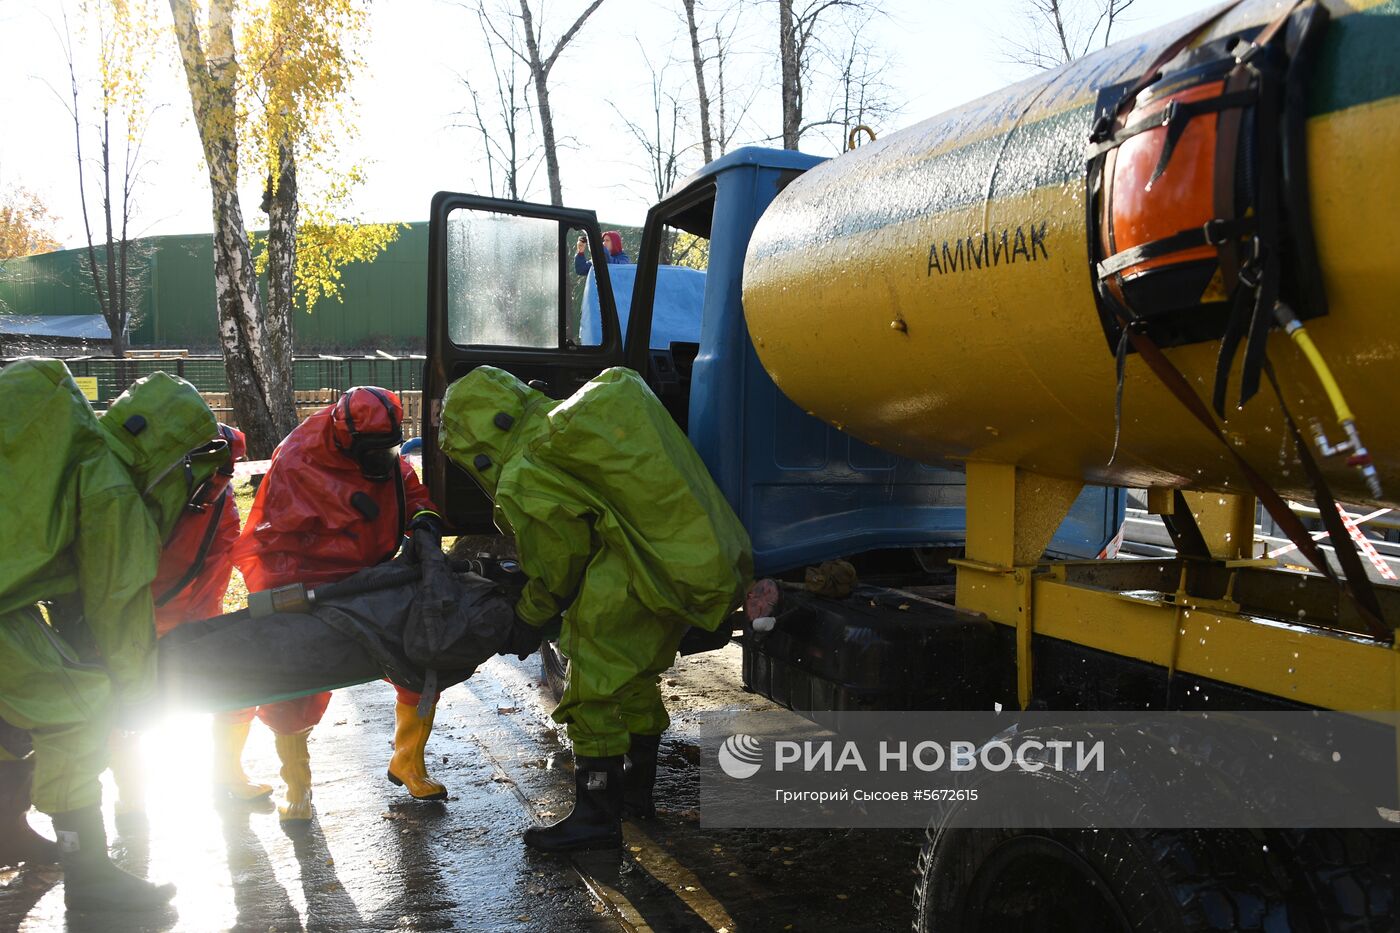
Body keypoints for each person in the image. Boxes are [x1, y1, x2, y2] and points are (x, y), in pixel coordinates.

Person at [439, 365, 751, 852]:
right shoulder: (566, 424)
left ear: (473, 443)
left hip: (632, 574)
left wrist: (528, 614)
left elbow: (557, 561)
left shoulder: (524, 470)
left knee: (595, 681)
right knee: (632, 677)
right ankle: (635, 790)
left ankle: (596, 817)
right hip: (683, 564)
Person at [0, 359, 222, 911]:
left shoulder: (62, 449)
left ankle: (5, 828)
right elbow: (119, 612)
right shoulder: (111, 489)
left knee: (21, 701)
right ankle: (92, 879)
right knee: (77, 706)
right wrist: (136, 701)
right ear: (176, 458)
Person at [230, 386, 446, 824]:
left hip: (372, 577)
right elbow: (271, 544)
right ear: (345, 440)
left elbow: (410, 490)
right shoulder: (297, 462)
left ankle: (408, 760)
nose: (380, 459)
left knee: (424, 655)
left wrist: (423, 523)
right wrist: (294, 600)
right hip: (308, 586)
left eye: (387, 449)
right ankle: (298, 786)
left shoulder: (385, 457)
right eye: (372, 452)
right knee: (293, 685)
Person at [107, 423, 270, 818]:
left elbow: (220, 560)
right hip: (159, 619)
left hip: (153, 618)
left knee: (230, 691)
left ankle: (143, 795)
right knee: (132, 703)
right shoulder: (177, 493)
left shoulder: (191, 496)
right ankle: (138, 792)